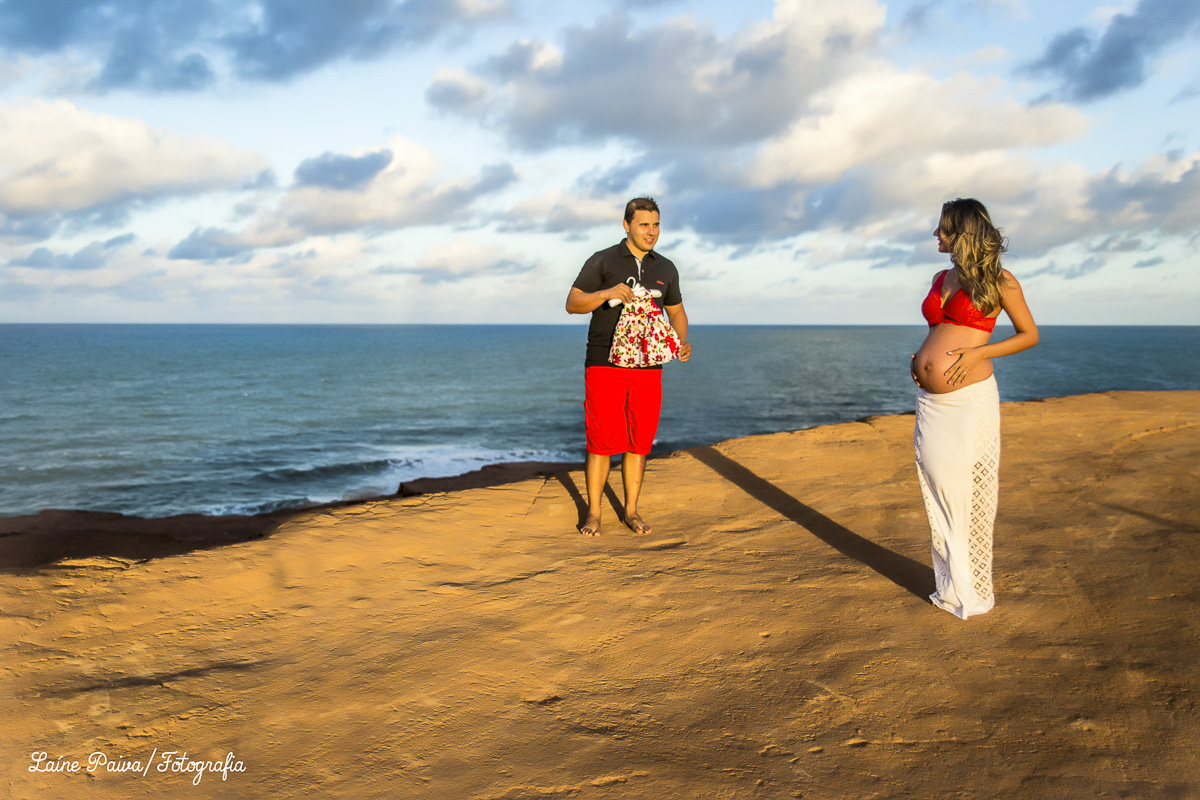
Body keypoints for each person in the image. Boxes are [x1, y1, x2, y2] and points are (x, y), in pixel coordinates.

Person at [910, 198, 1038, 619]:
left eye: (943, 228)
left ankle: (973, 588)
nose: (936, 235)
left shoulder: (1001, 281)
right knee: (937, 488)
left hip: (968, 400)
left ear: (962, 231)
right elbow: (939, 330)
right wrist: (921, 358)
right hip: (932, 401)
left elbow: (1028, 334)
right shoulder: (940, 277)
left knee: (967, 492)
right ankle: (950, 584)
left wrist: (981, 355)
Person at [566, 197, 692, 537]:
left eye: (656, 225)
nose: (651, 232)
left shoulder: (666, 268)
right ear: (626, 225)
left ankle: (631, 511)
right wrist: (607, 292)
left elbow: (676, 312)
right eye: (644, 225)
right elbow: (573, 303)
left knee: (639, 442)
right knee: (601, 441)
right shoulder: (603, 260)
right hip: (604, 363)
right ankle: (594, 513)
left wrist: (679, 341)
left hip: (648, 367)